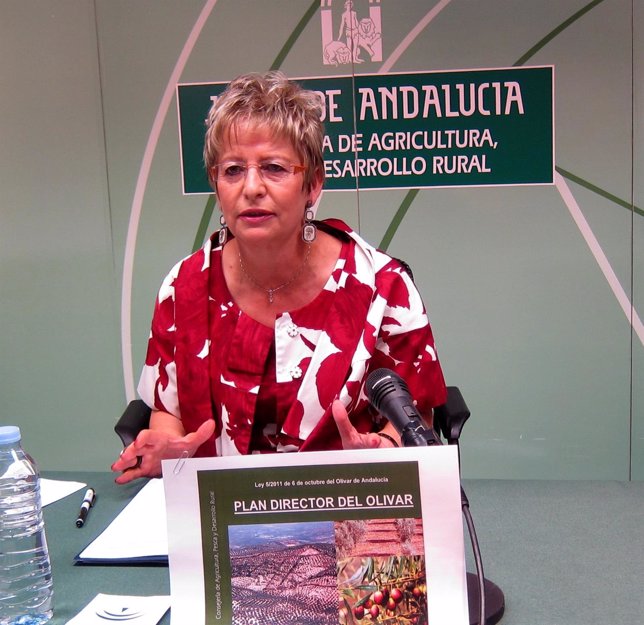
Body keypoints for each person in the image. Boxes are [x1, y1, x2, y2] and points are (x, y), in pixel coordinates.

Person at [112, 71, 446, 484]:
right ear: (216, 185)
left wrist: (387, 448)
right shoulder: (184, 288)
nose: (251, 187)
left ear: (313, 183)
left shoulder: (383, 286)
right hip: (221, 524)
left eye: (273, 168)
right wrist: (170, 449)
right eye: (233, 170)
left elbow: (419, 412)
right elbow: (169, 411)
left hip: (348, 513)